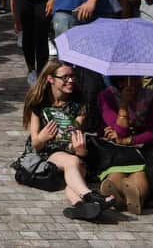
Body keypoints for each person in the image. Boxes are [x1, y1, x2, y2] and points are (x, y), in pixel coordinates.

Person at [19, 61, 115, 221]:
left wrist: (81, 151)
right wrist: (42, 137)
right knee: (72, 162)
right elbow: (35, 143)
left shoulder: (79, 104)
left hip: (70, 151)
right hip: (45, 153)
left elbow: (72, 134)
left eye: (72, 76)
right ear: (51, 79)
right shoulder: (39, 103)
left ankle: (79, 205)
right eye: (65, 77)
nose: (71, 80)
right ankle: (91, 196)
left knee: (75, 167)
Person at [95, 75, 153, 214]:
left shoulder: (152, 97)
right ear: (119, 81)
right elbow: (120, 132)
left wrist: (129, 141)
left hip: (141, 150)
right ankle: (116, 197)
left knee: (138, 174)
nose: (135, 83)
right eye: (129, 79)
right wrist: (124, 103)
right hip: (115, 152)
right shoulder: (107, 96)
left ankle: (136, 197)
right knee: (115, 174)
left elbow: (152, 133)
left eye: (137, 78)